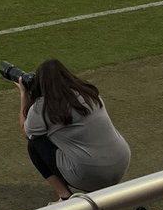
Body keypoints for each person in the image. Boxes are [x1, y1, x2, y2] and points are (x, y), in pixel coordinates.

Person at [16, 59, 130, 202]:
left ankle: (65, 196)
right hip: (121, 164)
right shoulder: (89, 93)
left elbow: (26, 132)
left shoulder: (42, 108)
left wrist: (24, 94)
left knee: (35, 145)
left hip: (93, 175)